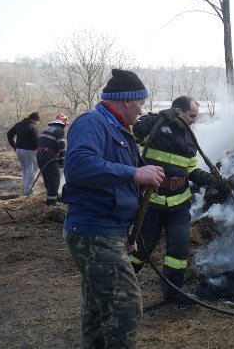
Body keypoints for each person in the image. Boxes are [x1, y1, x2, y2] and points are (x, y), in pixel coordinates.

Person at [62, 69, 165, 348]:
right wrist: (134, 173)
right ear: (128, 101)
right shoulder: (93, 122)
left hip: (108, 231)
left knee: (97, 306)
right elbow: (78, 166)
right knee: (125, 307)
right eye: (141, 104)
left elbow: (116, 186)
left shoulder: (118, 129)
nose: (142, 110)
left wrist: (123, 237)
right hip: (95, 229)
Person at [129, 96, 230, 303]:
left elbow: (191, 169)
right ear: (177, 111)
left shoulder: (189, 138)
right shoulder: (154, 126)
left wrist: (212, 181)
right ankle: (123, 283)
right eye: (191, 115)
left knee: (179, 251)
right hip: (151, 201)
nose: (194, 120)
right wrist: (158, 116)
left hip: (179, 204)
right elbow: (134, 133)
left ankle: (173, 293)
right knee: (142, 248)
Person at [37, 114, 69, 205]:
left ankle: (52, 195)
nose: (64, 126)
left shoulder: (46, 129)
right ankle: (51, 201)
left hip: (40, 156)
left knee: (47, 177)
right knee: (54, 178)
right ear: (62, 123)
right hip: (48, 156)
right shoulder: (59, 130)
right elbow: (61, 147)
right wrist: (63, 160)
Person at [7, 112, 40, 195]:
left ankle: (26, 189)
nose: (37, 123)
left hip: (19, 150)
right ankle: (28, 190)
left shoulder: (18, 124)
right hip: (29, 151)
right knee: (32, 171)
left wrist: (14, 146)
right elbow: (36, 141)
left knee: (25, 171)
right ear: (33, 120)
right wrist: (38, 151)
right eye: (37, 121)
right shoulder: (33, 127)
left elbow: (9, 134)